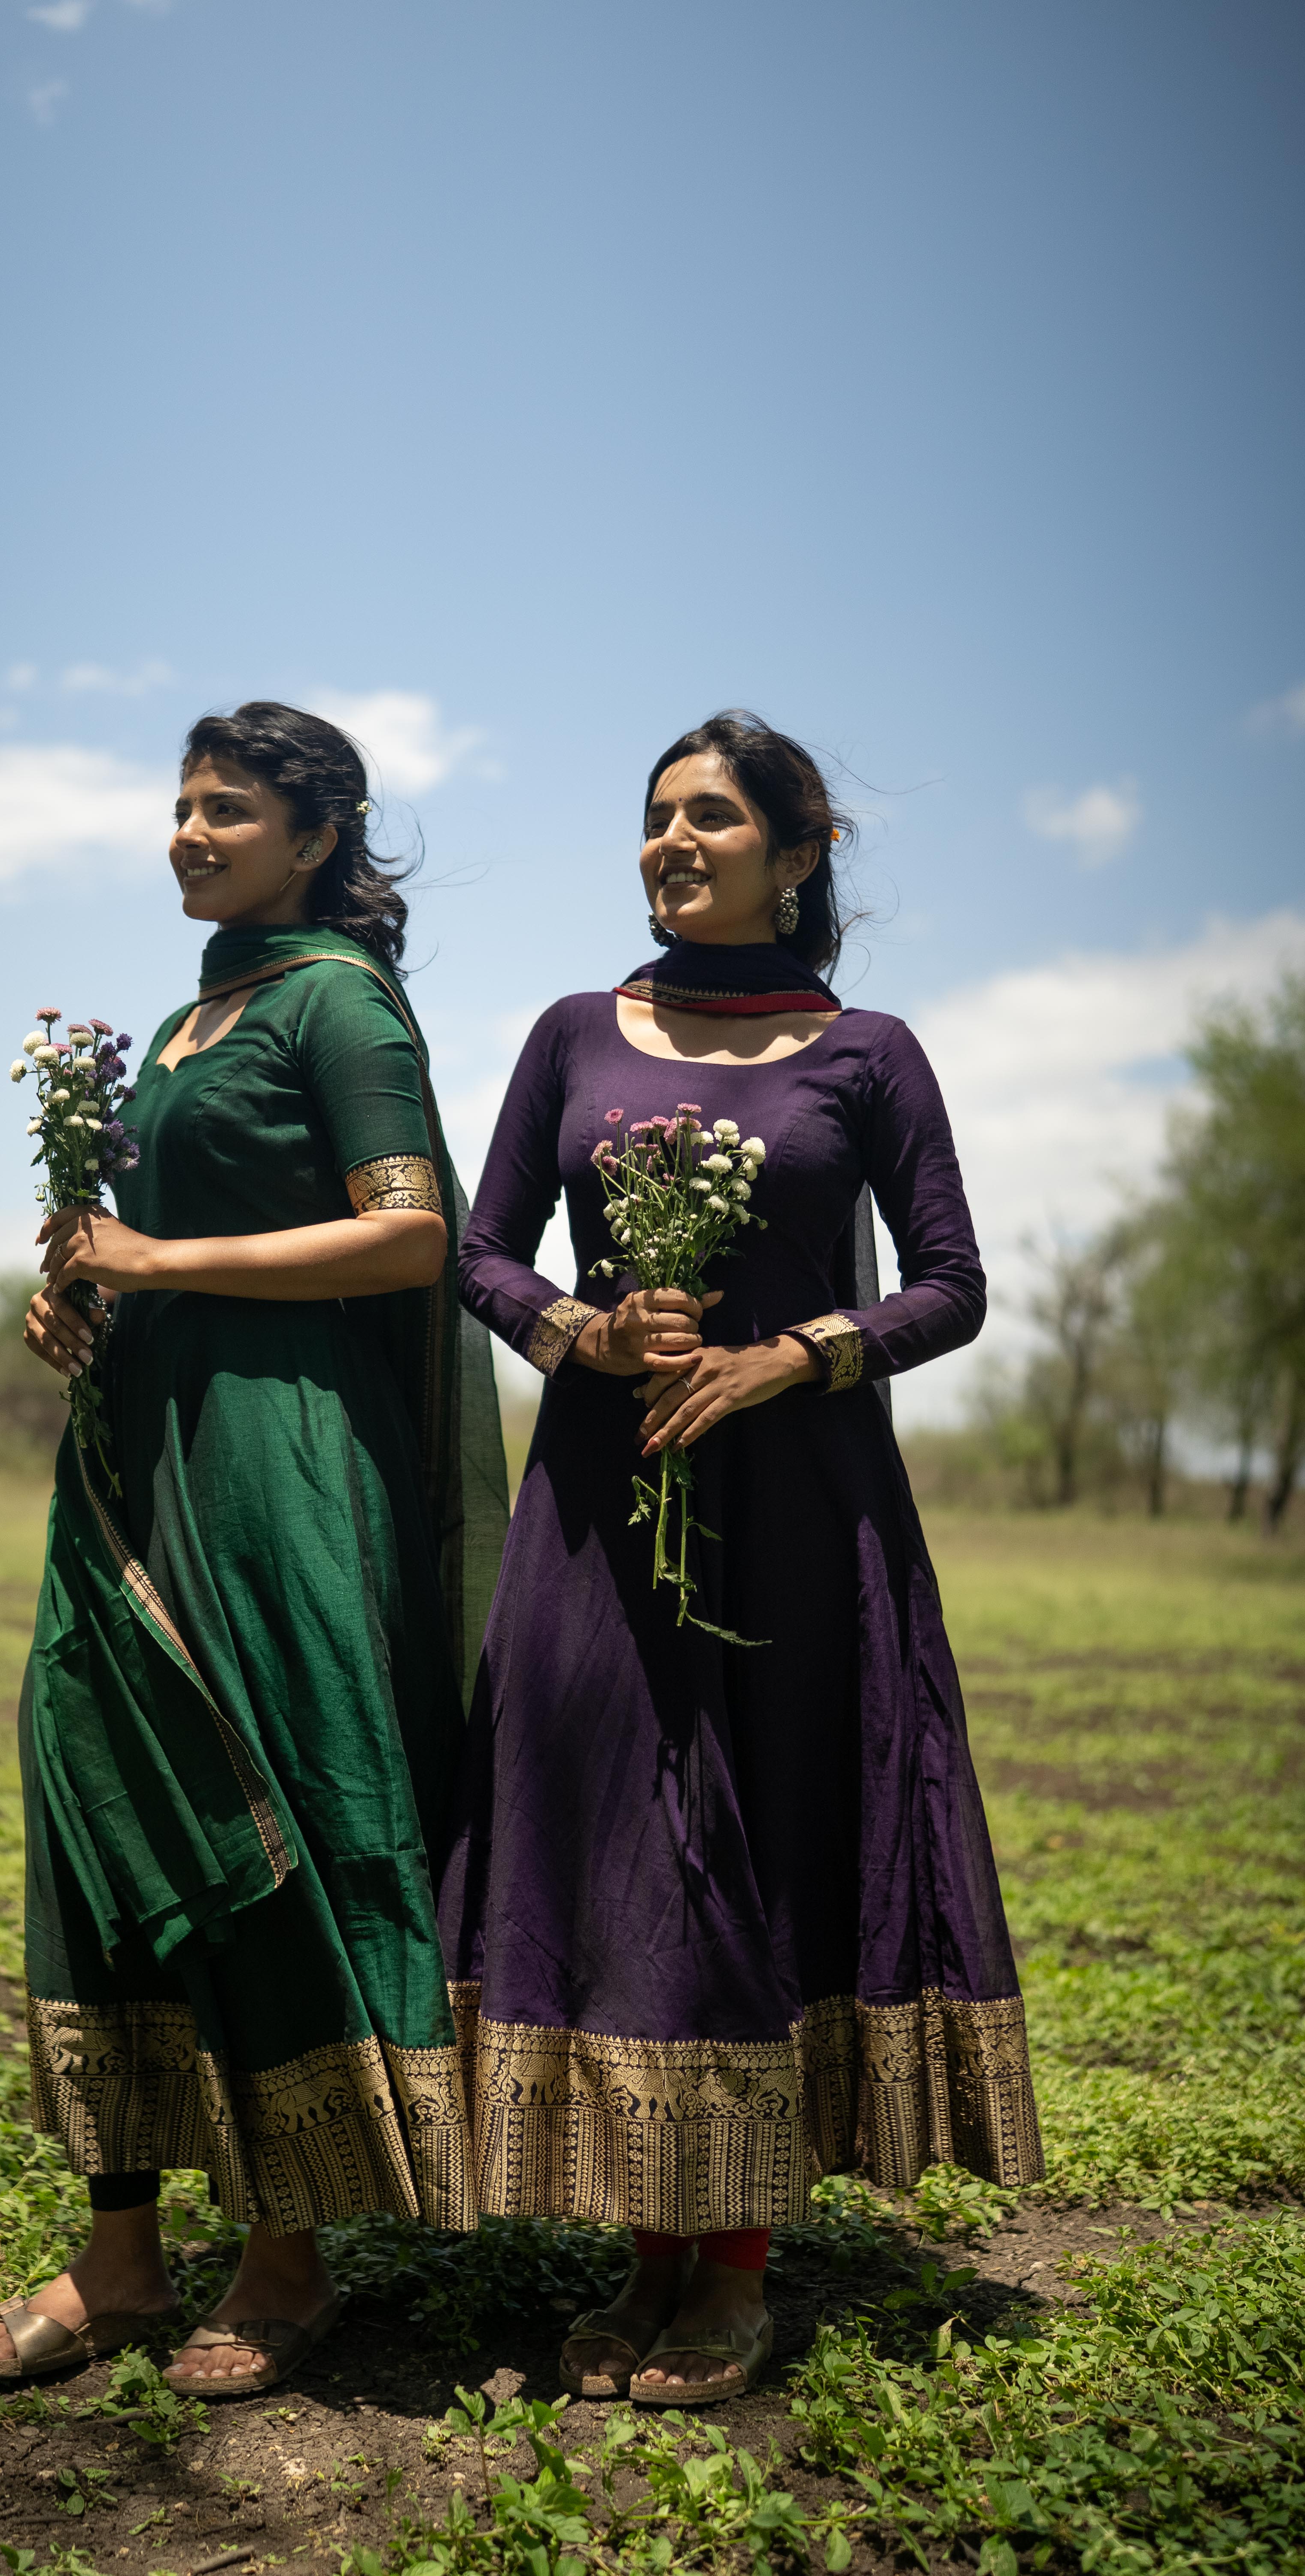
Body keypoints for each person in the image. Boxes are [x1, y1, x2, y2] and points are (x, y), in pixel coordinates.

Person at [440, 710, 1043, 2407]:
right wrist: (584, 1332)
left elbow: (951, 1283)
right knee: (616, 1841)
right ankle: (649, 2246)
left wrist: (789, 1357)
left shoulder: (870, 1054)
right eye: (657, 816)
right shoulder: (574, 1035)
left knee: (765, 1836)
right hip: (599, 1505)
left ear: (798, 851)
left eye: (710, 815)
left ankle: (735, 2265)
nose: (673, 842)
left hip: (799, 1515)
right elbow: (480, 1253)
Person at [0, 702, 506, 2398]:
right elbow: (148, 1241)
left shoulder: (340, 1004)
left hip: (281, 1459)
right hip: (135, 1452)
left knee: (267, 1803)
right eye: (183, 804)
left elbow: (411, 1237)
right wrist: (82, 1294)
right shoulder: (185, 1022)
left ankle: (287, 2251)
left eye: (229, 808)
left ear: (317, 838)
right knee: (97, 1790)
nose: (191, 832)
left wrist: (160, 1259)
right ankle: (122, 2253)